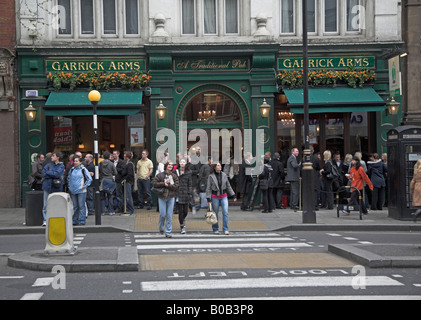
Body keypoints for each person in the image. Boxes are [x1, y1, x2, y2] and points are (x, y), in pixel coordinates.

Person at [206, 162, 237, 235]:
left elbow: (228, 186)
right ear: (214, 167)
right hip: (214, 197)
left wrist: (233, 195)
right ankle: (215, 229)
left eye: (220, 165)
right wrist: (208, 199)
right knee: (215, 214)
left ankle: (225, 229)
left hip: (224, 196)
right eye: (218, 165)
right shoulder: (211, 176)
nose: (220, 166)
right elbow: (208, 188)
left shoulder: (224, 175)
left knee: (225, 212)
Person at [152, 162, 179, 238]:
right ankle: (161, 227)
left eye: (171, 165)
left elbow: (176, 186)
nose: (170, 166)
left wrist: (169, 185)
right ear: (166, 166)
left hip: (171, 197)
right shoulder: (160, 175)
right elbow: (154, 183)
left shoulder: (174, 176)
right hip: (162, 197)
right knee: (163, 214)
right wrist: (163, 183)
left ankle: (168, 232)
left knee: (169, 216)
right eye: (169, 165)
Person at [41, 151, 65, 226]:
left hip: (56, 187)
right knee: (45, 205)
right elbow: (43, 173)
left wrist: (49, 172)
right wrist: (52, 173)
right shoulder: (48, 164)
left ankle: (55, 218)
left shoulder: (61, 165)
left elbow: (57, 174)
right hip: (47, 186)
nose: (51, 157)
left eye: (53, 156)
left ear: (58, 157)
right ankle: (45, 220)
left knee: (56, 204)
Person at [67, 156, 92, 225]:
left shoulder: (83, 169)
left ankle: (82, 220)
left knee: (81, 206)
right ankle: (75, 220)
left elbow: (89, 179)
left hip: (81, 191)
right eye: (74, 161)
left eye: (77, 161)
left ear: (80, 162)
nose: (75, 162)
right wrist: (70, 186)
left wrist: (84, 186)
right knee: (75, 206)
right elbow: (69, 178)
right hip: (73, 190)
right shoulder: (72, 169)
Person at [175, 158, 193, 234]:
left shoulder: (188, 172)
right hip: (178, 193)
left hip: (186, 193)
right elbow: (173, 181)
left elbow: (190, 184)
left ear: (185, 164)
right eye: (181, 162)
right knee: (180, 211)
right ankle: (182, 226)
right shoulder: (176, 172)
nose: (182, 163)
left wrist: (189, 193)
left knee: (185, 211)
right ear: (179, 164)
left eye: (183, 162)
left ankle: (183, 219)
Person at [99, 151, 117, 215]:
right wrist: (111, 174)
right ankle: (110, 211)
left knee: (102, 197)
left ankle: (102, 211)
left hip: (103, 181)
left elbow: (98, 171)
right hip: (110, 180)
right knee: (110, 196)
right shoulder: (111, 164)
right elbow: (115, 173)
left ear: (103, 156)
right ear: (109, 156)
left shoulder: (100, 163)